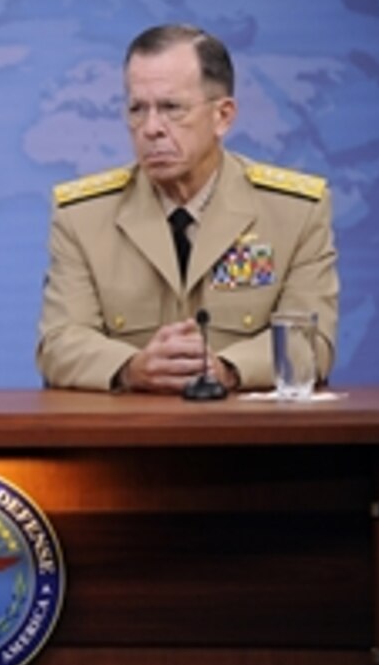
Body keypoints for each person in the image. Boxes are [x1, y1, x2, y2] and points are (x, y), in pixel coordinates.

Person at [37, 24, 339, 393]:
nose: (151, 128)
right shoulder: (83, 216)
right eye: (137, 109)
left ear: (223, 116)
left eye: (171, 108)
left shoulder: (295, 211)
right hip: (128, 437)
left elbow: (311, 341)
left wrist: (226, 369)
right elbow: (60, 342)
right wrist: (131, 368)